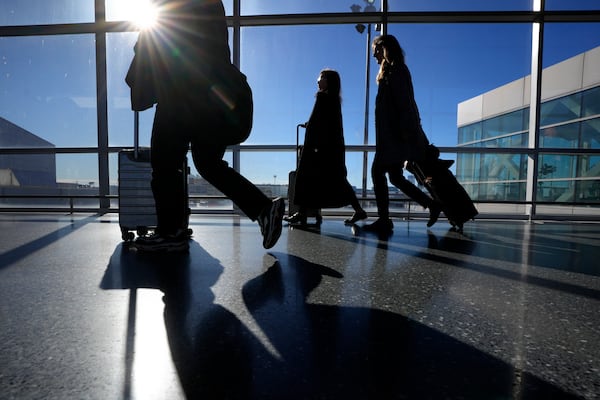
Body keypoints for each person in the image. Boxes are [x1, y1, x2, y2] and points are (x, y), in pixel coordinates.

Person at [131, 0, 284, 252]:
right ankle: (263, 209)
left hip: (179, 92)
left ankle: (171, 232)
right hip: (210, 95)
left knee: (165, 166)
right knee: (207, 163)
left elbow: (163, 40)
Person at [363, 34, 441, 234]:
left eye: (376, 52)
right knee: (396, 178)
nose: (374, 57)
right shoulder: (389, 72)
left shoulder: (397, 71)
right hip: (392, 138)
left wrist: (407, 136)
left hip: (395, 139)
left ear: (385, 48)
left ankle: (384, 220)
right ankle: (431, 205)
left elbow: (405, 105)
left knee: (376, 171)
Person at [284, 69, 368, 226]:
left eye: (321, 77)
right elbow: (326, 123)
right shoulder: (334, 100)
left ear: (329, 81)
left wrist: (311, 139)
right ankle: (358, 210)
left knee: (306, 178)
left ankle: (301, 214)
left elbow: (317, 122)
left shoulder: (323, 97)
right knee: (336, 179)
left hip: (318, 148)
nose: (317, 80)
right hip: (331, 148)